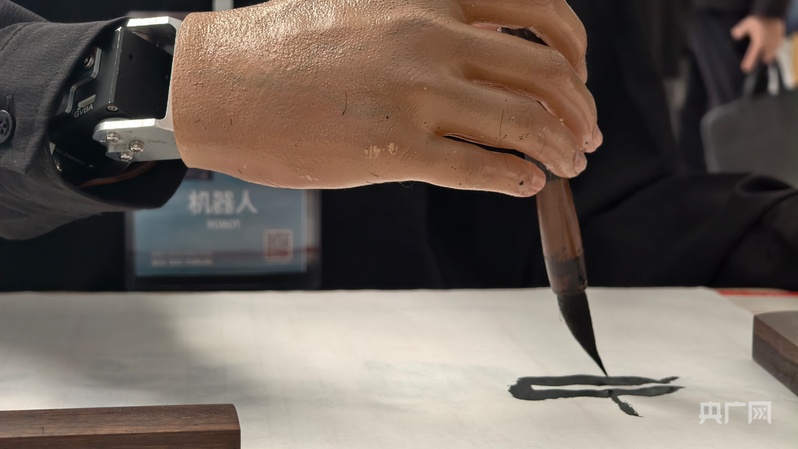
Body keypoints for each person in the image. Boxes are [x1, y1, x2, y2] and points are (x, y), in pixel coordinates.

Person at [1, 0, 797, 291]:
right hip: (69, 390)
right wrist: (168, 84)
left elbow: (600, 201)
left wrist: (771, 234)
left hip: (415, 400)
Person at [678, 0, 790, 171]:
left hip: (736, 18)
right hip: (695, 15)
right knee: (694, 135)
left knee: (740, 136)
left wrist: (768, 12)